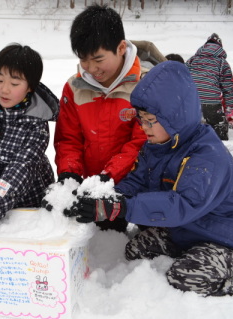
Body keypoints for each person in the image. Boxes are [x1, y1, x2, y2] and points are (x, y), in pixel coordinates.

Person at [66, 61, 233, 296]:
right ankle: (195, 257)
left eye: (150, 120)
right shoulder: (156, 145)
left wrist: (123, 208)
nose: (144, 127)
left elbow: (182, 204)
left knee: (184, 278)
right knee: (135, 249)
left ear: (176, 115)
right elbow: (138, 180)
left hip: (227, 238)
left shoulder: (207, 156)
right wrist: (109, 198)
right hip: (187, 231)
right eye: (141, 119)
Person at [46, 4, 147, 233]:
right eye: (83, 60)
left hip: (135, 187)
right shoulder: (74, 87)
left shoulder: (144, 85)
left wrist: (108, 177)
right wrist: (69, 175)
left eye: (98, 59)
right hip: (93, 190)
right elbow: (68, 139)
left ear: (121, 48)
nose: (91, 68)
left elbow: (141, 143)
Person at [0, 43, 59, 237]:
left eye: (15, 84)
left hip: (30, 210)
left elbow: (20, 171)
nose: (4, 89)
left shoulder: (36, 124)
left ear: (30, 88)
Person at [186, 33, 233, 141]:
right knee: (218, 125)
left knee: (191, 125)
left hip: (192, 100)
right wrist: (229, 107)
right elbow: (228, 87)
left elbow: (183, 77)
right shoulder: (222, 62)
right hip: (211, 101)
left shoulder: (192, 59)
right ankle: (221, 144)